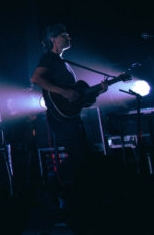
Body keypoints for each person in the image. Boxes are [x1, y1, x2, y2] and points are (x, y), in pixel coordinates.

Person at [29, 24, 107, 186]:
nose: (69, 38)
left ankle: (71, 189)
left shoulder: (63, 62)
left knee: (82, 155)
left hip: (71, 116)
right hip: (60, 118)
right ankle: (54, 186)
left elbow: (78, 97)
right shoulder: (49, 58)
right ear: (53, 39)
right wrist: (63, 92)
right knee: (78, 156)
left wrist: (98, 91)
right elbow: (36, 78)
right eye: (64, 35)